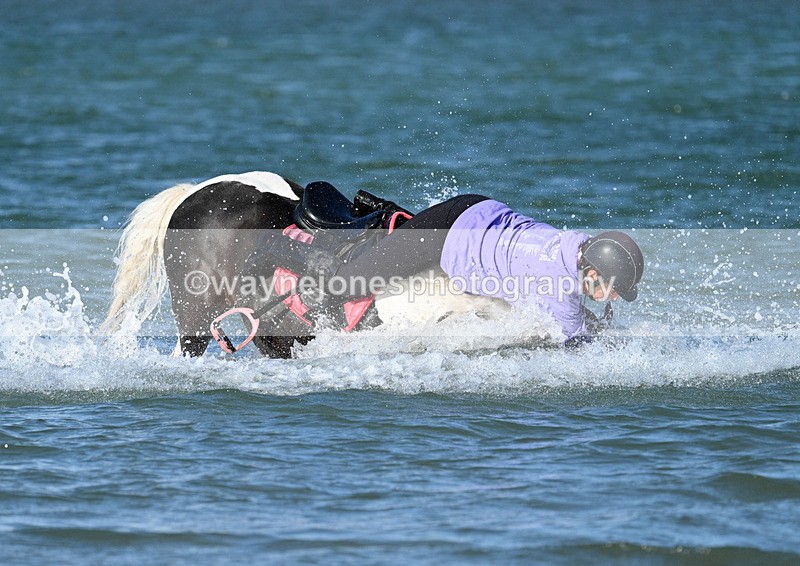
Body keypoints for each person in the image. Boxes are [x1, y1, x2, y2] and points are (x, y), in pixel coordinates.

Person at [322, 194, 645, 345]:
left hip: (477, 208)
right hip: (443, 236)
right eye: (614, 288)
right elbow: (578, 343)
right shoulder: (559, 284)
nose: (615, 297)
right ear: (592, 273)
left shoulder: (578, 244)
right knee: (345, 285)